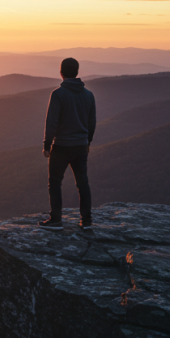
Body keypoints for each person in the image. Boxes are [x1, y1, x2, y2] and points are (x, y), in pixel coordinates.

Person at [39, 57, 96, 231]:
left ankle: (56, 220)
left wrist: (47, 145)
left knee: (55, 183)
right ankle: (86, 221)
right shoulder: (88, 95)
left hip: (62, 146)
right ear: (77, 72)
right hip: (80, 146)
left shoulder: (58, 94)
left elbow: (51, 122)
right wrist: (88, 142)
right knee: (82, 183)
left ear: (61, 72)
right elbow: (91, 122)